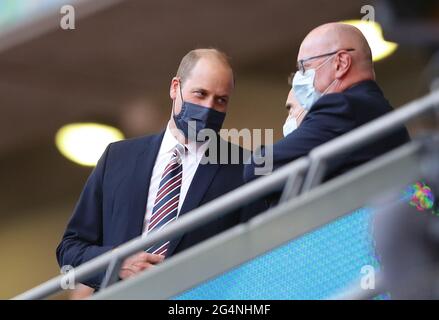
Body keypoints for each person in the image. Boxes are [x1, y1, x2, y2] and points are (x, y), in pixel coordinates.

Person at [57, 48, 265, 293]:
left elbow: (255, 258)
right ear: (175, 88)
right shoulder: (118, 158)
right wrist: (117, 263)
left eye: (220, 100)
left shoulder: (243, 168)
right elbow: (70, 250)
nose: (209, 108)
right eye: (200, 94)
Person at [244, 22, 410, 184]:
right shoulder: (377, 107)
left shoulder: (343, 107)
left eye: (304, 67)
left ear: (341, 63)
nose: (298, 78)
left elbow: (260, 165)